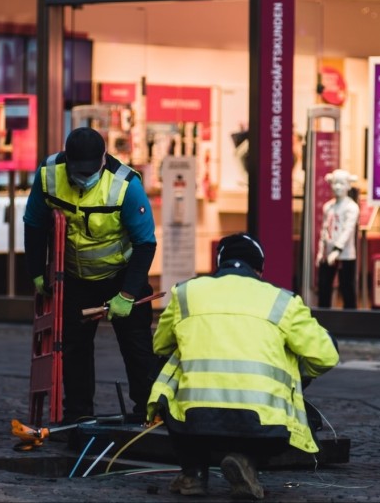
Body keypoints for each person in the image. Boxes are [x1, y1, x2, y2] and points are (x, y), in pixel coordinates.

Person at [147, 232, 340, 499]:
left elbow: (160, 346)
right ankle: (246, 459)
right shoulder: (283, 301)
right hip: (262, 424)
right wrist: (292, 373)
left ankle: (194, 472)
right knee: (294, 353)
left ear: (219, 264)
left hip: (194, 422)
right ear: (259, 270)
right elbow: (327, 355)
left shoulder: (186, 293)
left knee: (170, 362)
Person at [23, 126, 159, 424]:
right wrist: (36, 272)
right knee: (74, 351)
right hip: (76, 278)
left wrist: (127, 294)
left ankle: (148, 413)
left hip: (121, 275)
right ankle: (78, 417)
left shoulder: (125, 185)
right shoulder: (49, 175)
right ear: (66, 160)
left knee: (137, 348)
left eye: (91, 169)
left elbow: (146, 243)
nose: (84, 176)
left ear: (103, 159)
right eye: (78, 169)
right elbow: (33, 224)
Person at [315, 169, 360, 308]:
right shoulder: (328, 206)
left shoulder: (351, 207)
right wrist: (321, 251)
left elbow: (347, 230)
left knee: (347, 287)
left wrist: (337, 250)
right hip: (327, 254)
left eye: (341, 183)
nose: (338, 187)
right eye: (335, 183)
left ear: (348, 185)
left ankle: (351, 319)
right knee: (324, 287)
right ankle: (324, 317)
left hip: (345, 255)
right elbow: (324, 230)